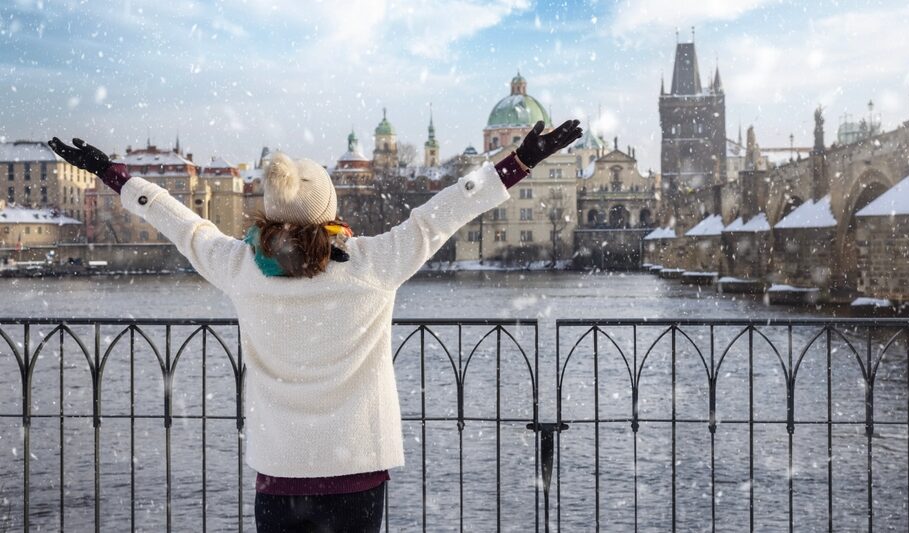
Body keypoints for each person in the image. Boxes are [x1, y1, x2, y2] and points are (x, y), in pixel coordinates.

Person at [48, 119, 581, 532]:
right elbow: (440, 215)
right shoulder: (374, 264)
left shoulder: (241, 268)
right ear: (329, 207)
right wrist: (516, 164)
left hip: (280, 475)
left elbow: (183, 224)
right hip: (357, 471)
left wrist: (116, 176)